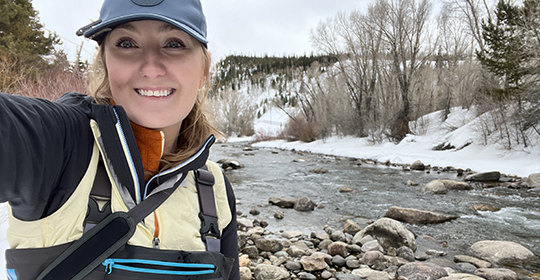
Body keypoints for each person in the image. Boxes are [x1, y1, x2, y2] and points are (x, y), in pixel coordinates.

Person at [0, 0, 240, 279]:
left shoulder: (213, 186)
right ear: (105, 62)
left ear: (204, 69)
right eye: (127, 43)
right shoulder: (60, 146)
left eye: (174, 44)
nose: (151, 68)